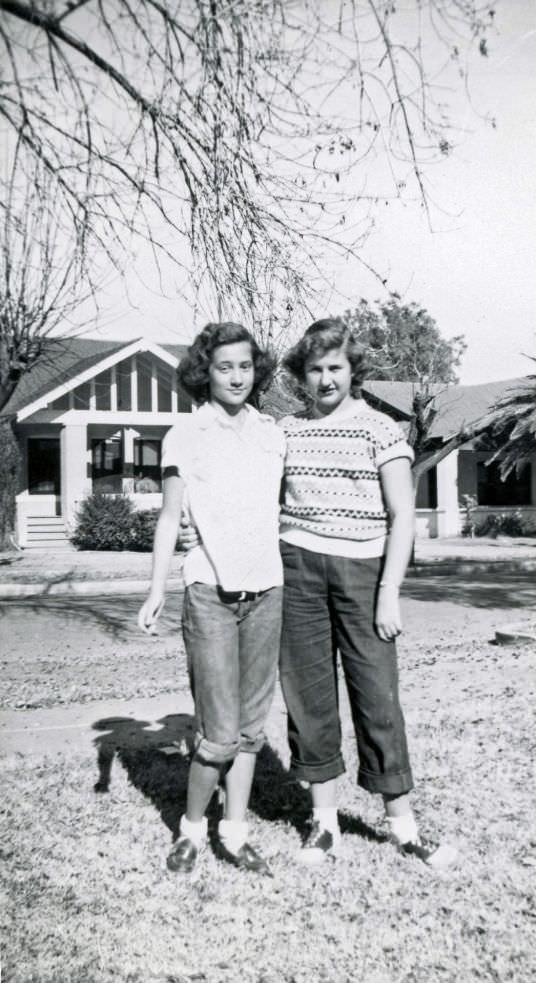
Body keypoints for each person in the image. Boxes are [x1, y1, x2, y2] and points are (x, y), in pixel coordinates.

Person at [277, 318, 442, 865]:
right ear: (302, 374)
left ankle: (402, 826)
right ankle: (323, 823)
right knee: (308, 699)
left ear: (353, 372)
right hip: (296, 569)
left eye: (335, 368)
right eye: (315, 369)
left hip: (364, 573)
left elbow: (402, 517)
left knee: (377, 698)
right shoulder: (285, 430)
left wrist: (388, 592)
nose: (325, 380)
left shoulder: (380, 429)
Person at [138, 321, 285, 876]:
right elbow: (170, 516)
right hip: (209, 593)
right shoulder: (186, 434)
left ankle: (235, 831)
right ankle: (192, 831)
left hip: (268, 590)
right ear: (205, 372)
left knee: (250, 729)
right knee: (218, 734)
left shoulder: (273, 433)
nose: (237, 376)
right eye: (224, 366)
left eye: (245, 365)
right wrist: (156, 587)